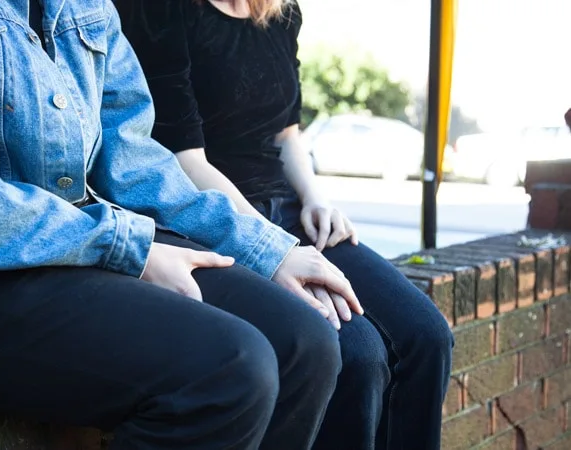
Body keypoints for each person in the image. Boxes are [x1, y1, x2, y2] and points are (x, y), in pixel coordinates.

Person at [0, 1, 370, 449]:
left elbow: (134, 159)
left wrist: (265, 249)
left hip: (79, 240)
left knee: (305, 343)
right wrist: (127, 246)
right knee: (228, 369)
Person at [116, 1, 454, 449]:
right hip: (212, 218)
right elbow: (185, 161)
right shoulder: (160, 12)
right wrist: (272, 244)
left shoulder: (282, 13)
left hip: (288, 210)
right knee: (359, 355)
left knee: (427, 338)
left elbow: (286, 134)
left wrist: (316, 198)